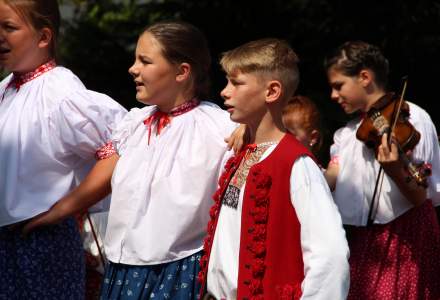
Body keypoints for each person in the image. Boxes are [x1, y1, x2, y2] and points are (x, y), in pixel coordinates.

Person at [24, 21, 237, 300]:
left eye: (145, 61)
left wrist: (250, 127)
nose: (133, 68)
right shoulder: (135, 122)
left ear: (182, 72)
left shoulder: (220, 128)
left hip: (179, 271)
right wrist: (50, 215)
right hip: (123, 270)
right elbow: (100, 181)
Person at [198, 38, 349, 300]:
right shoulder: (244, 152)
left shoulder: (297, 165)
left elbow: (330, 255)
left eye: (236, 82)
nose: (224, 91)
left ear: (272, 91)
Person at [0, 0, 127, 299]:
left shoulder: (60, 92)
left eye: (10, 28)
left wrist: (64, 209)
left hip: (41, 241)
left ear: (44, 37)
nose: (0, 36)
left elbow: (116, 152)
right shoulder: (7, 88)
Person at [324, 40, 440, 299]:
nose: (333, 95)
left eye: (338, 85)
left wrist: (395, 169)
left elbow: (420, 197)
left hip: (404, 235)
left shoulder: (412, 118)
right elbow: (333, 175)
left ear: (364, 77)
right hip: (362, 240)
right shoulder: (347, 134)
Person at [282, 95, 323, 160]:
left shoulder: (308, 168)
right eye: (280, 132)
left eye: (289, 134)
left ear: (313, 137)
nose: (281, 138)